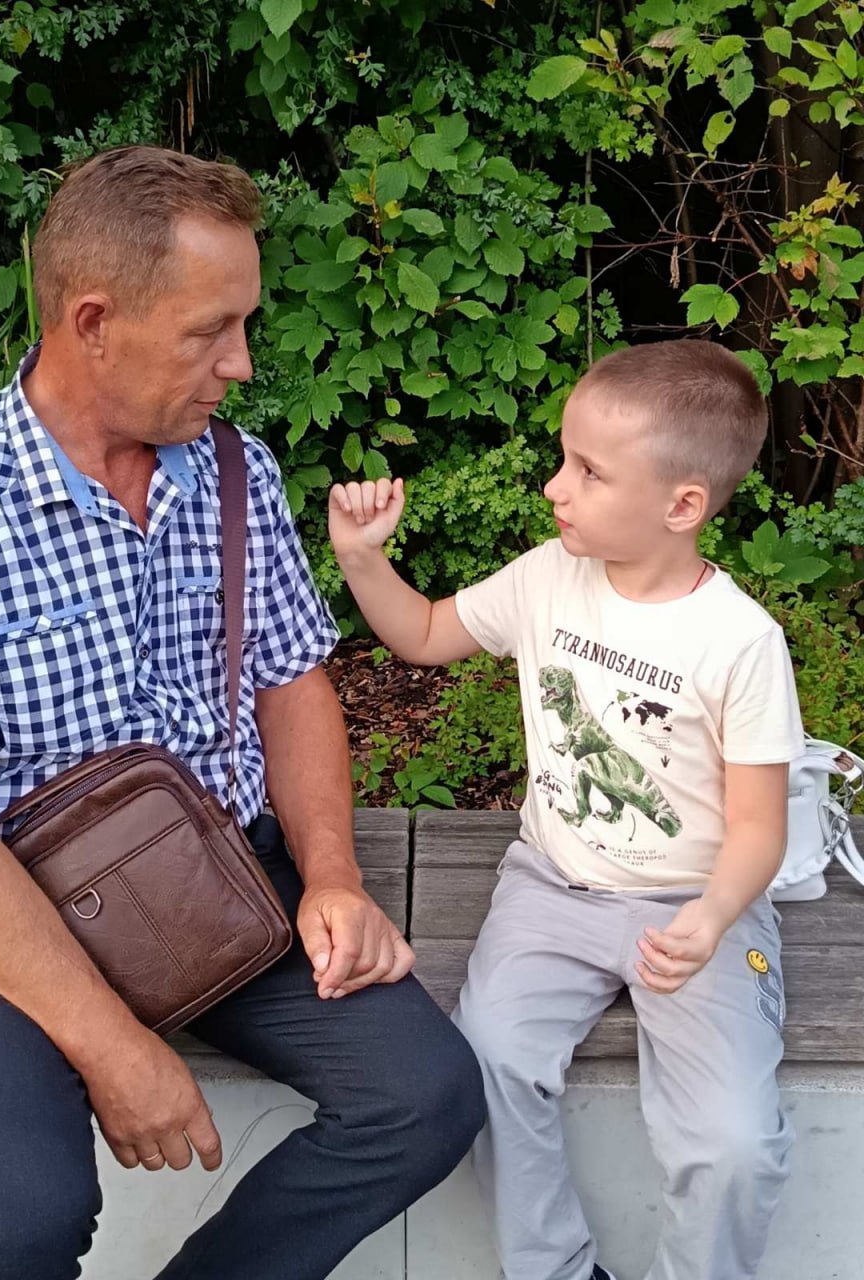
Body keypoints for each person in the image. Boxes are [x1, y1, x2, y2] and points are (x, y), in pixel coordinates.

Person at [0, 145, 484, 1280]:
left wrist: (331, 877)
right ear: (93, 321)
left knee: (425, 1096)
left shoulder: (233, 470)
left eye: (245, 324)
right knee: (22, 1222)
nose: (242, 363)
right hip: (12, 895)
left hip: (220, 868)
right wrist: (116, 1049)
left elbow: (291, 683)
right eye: (210, 330)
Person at [328, 339, 804, 1280]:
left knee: (735, 1144)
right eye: (563, 460)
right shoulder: (549, 575)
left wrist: (714, 916)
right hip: (553, 888)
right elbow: (425, 633)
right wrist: (360, 558)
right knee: (485, 1064)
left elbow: (760, 826)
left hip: (697, 910)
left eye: (589, 471)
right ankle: (555, 1269)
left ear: (682, 506)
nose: (555, 487)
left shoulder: (741, 643)